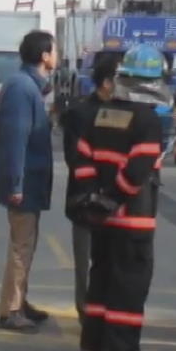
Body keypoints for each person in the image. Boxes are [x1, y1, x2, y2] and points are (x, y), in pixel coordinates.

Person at [68, 44, 168, 351]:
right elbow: (139, 169)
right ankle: (124, 348)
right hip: (132, 219)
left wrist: (95, 196)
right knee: (129, 284)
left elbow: (82, 157)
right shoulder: (148, 120)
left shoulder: (102, 114)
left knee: (101, 278)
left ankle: (93, 342)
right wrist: (116, 198)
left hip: (102, 218)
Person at [0, 30, 57, 333]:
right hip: (24, 183)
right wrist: (15, 184)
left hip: (30, 181)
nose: (58, 55)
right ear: (44, 56)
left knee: (26, 245)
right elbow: (15, 139)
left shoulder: (28, 86)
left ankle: (21, 300)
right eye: (55, 50)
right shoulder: (22, 88)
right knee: (21, 246)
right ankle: (11, 310)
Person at [61, 56, 121, 325]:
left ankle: (109, 314)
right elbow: (75, 159)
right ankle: (88, 317)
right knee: (86, 263)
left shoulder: (128, 111)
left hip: (120, 199)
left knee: (115, 263)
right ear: (107, 82)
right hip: (87, 200)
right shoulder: (80, 113)